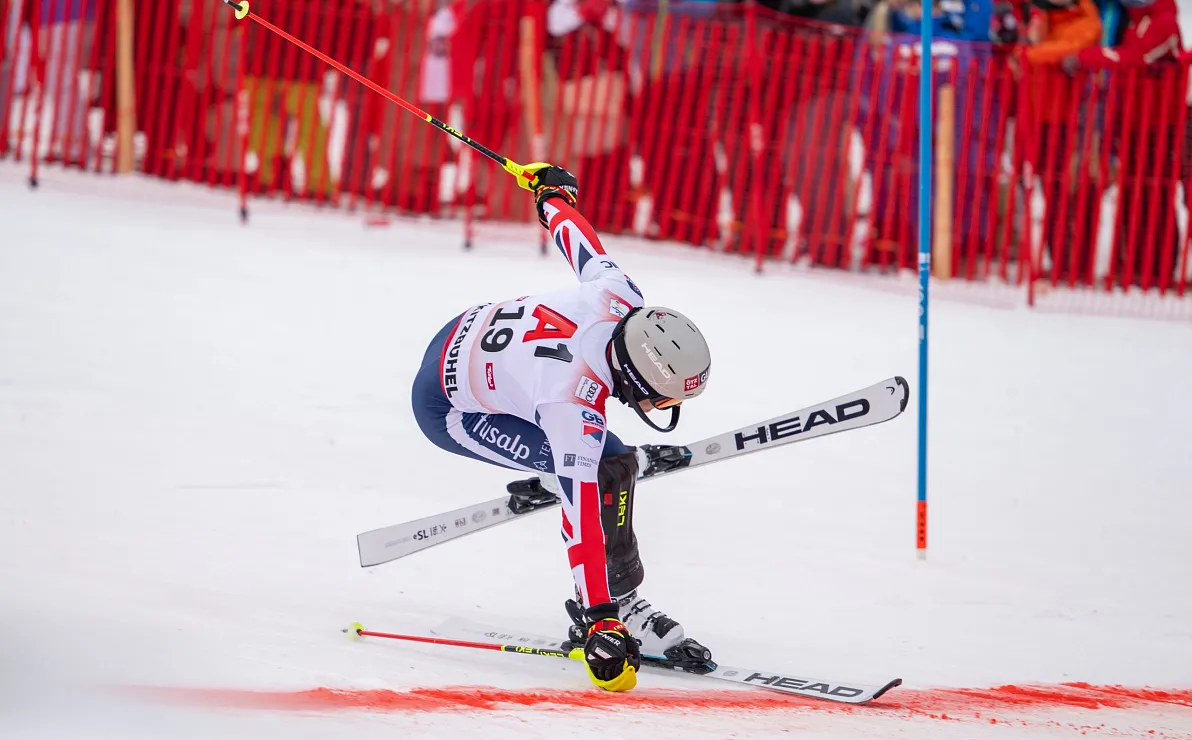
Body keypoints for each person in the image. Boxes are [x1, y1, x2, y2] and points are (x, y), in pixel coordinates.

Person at [410, 164, 713, 692]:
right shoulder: (572, 408)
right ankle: (625, 600)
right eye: (664, 395)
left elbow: (580, 240)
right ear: (637, 376)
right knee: (602, 466)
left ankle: (568, 470)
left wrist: (550, 195)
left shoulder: (622, 297)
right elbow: (582, 526)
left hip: (469, 334)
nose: (664, 404)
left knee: (600, 458)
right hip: (448, 407)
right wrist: (599, 617)